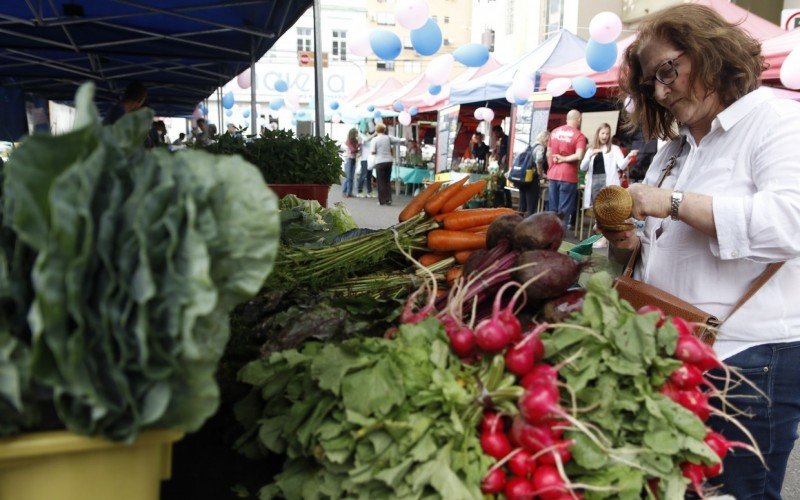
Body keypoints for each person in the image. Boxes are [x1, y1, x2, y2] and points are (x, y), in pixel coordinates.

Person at [605, 5, 800, 498]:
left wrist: (670, 203)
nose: (663, 90)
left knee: (737, 492)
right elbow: (658, 244)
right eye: (652, 82)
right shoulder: (677, 149)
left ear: (710, 51)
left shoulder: (778, 120)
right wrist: (629, 242)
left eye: (668, 70)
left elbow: (789, 224)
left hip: (751, 357)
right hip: (677, 354)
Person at [579, 123, 637, 209]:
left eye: (607, 133)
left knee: (609, 209)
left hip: (608, 183)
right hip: (594, 183)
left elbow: (621, 166)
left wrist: (629, 156)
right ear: (598, 134)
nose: (605, 136)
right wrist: (590, 156)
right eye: (602, 133)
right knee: (597, 209)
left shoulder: (615, 149)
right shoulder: (591, 149)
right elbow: (583, 167)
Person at [547, 110, 587, 229]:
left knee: (552, 211)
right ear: (579, 119)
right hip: (568, 176)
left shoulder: (554, 132)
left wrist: (551, 167)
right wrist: (564, 159)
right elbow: (579, 155)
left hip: (553, 174)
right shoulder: (579, 136)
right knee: (563, 213)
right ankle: (559, 242)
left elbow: (548, 153)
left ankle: (549, 241)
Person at [510, 131, 549, 217]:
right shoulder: (540, 148)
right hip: (532, 179)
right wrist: (541, 174)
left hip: (523, 178)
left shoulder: (530, 147)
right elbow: (539, 160)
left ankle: (518, 223)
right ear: (546, 140)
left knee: (522, 205)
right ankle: (528, 225)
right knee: (531, 206)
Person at [370, 123, 405, 206]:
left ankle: (382, 200)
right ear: (384, 130)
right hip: (389, 161)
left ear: (376, 130)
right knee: (387, 181)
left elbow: (372, 151)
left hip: (380, 161)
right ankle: (388, 199)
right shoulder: (388, 137)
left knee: (380, 181)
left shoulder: (375, 139)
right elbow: (398, 140)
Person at [491, 125, 512, 207]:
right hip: (499, 165)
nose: (495, 135)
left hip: (505, 165)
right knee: (499, 184)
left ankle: (508, 204)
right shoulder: (499, 140)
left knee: (505, 184)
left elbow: (509, 150)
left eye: (496, 133)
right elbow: (497, 151)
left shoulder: (507, 139)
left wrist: (505, 156)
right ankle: (501, 203)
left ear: (500, 131)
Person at [356, 125, 375, 198]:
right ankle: (359, 191)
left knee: (369, 176)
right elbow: (366, 140)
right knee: (363, 175)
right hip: (364, 159)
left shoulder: (369, 137)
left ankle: (369, 192)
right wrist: (375, 133)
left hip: (370, 160)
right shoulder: (362, 136)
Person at [342, 128, 360, 198]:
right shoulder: (349, 141)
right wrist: (358, 147)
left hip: (353, 159)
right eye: (356, 133)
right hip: (349, 159)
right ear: (353, 134)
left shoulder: (354, 141)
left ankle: (349, 192)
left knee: (351, 177)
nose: (357, 134)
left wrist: (358, 146)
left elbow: (355, 150)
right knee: (348, 177)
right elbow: (353, 150)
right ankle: (345, 192)